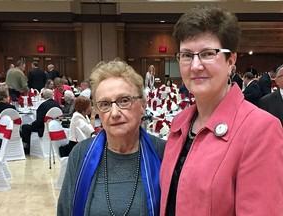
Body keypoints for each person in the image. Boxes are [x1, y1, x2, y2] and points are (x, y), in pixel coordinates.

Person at [160, 6, 283, 216]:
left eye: (208, 54)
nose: (195, 65)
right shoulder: (179, 123)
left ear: (231, 61)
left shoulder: (260, 129)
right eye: (187, 55)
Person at [57, 59, 165, 216]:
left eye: (124, 100)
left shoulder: (164, 153)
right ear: (98, 111)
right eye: (105, 104)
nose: (114, 113)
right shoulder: (81, 154)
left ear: (142, 106)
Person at [21, 89, 60, 154]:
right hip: (55, 128)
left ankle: (29, 147)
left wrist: (32, 124)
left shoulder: (43, 105)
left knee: (25, 127)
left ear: (44, 96)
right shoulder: (57, 104)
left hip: (43, 128)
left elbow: (39, 121)